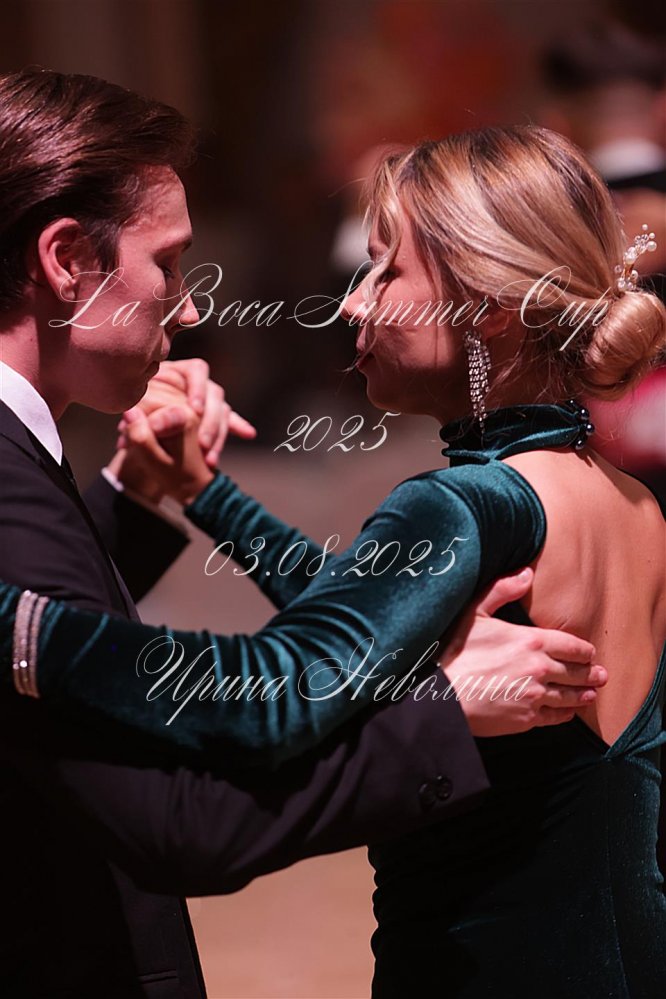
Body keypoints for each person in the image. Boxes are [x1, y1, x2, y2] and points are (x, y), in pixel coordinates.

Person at [3, 123, 664, 997]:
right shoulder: (629, 501)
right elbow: (371, 614)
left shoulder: (463, 504)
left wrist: (28, 632)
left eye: (385, 270)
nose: (352, 304)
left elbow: (285, 684)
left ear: (487, 306)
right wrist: (204, 494)